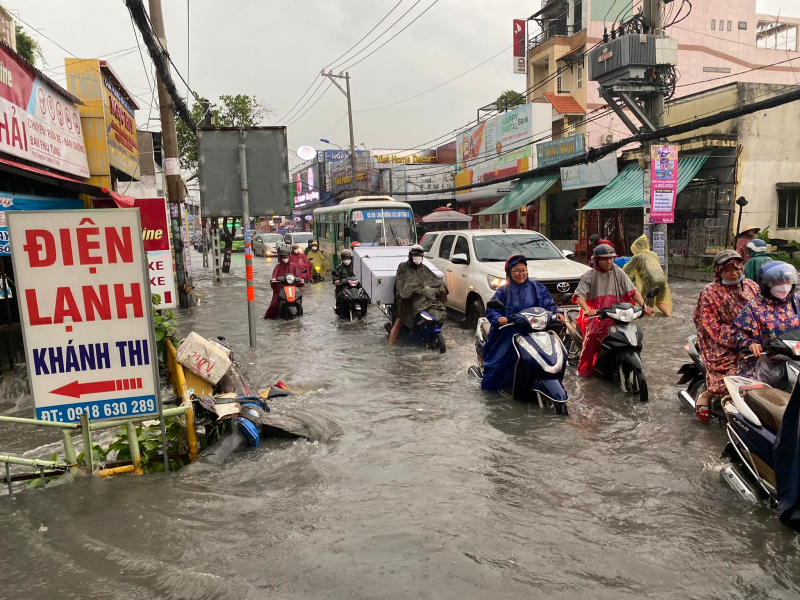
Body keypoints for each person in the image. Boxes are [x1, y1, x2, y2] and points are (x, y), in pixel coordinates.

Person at [692, 250, 759, 421]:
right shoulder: (710, 292)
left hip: (754, 340)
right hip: (722, 344)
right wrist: (740, 340)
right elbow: (710, 325)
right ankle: (707, 394)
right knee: (734, 379)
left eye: (737, 268)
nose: (734, 273)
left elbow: (764, 312)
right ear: (718, 271)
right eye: (728, 269)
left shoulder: (752, 286)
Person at [481, 255, 565, 391]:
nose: (521, 274)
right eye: (516, 271)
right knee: (498, 363)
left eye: (523, 270)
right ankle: (493, 389)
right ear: (509, 272)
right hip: (510, 331)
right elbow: (491, 309)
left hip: (536, 331)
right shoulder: (503, 290)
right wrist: (499, 318)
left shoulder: (537, 288)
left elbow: (549, 304)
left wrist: (558, 313)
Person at [574, 244, 653, 377]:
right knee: (593, 336)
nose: (609, 261)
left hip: (617, 313)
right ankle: (585, 370)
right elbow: (579, 296)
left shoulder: (618, 271)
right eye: (605, 259)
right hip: (596, 316)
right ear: (597, 260)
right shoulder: (589, 276)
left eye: (611, 258)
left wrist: (644, 306)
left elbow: (632, 291)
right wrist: (588, 310)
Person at [734, 261, 800, 380]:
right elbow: (740, 334)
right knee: (753, 395)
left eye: (787, 282)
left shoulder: (796, 301)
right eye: (778, 283)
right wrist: (751, 345)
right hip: (763, 363)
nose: (784, 286)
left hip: (794, 359)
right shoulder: (754, 307)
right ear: (766, 285)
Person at [388, 245, 447, 345]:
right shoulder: (403, 267)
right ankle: (390, 345)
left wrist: (439, 287)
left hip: (422, 301)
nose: (418, 257)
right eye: (415, 255)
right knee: (399, 321)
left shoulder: (424, 269)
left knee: (438, 313)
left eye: (420, 255)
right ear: (410, 256)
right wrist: (408, 292)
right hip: (406, 301)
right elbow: (400, 283)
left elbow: (434, 280)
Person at [623, 234, 673, 317]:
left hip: (651, 283)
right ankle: (670, 317)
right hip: (662, 281)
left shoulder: (638, 257)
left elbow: (625, 272)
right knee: (660, 301)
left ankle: (650, 324)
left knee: (646, 306)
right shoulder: (653, 254)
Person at [264, 246, 305, 320]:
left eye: (286, 257)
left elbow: (298, 275)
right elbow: (274, 275)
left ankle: (300, 313)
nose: (285, 259)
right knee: (274, 304)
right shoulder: (278, 267)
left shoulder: (293, 266)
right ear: (280, 258)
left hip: (292, 287)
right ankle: (271, 317)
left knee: (298, 299)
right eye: (283, 257)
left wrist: (301, 280)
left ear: (289, 257)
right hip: (280, 288)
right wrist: (274, 279)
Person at [332, 248, 355, 315]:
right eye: (344, 258)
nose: (346, 260)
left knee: (364, 296)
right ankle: (339, 311)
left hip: (354, 286)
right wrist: (337, 280)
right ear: (342, 259)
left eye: (347, 258)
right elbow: (335, 276)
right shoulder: (339, 267)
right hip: (343, 287)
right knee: (340, 296)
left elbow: (361, 274)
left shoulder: (356, 266)